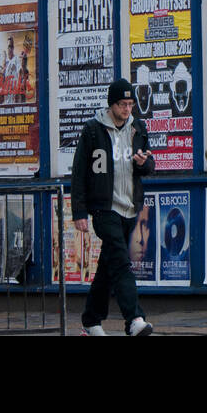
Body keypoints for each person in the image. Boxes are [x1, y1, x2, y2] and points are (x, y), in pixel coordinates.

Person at [72, 78, 155, 336]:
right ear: (111, 104)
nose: (127, 109)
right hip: (105, 209)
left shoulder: (138, 128)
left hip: (130, 207)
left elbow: (149, 167)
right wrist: (79, 212)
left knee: (108, 267)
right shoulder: (93, 131)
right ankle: (134, 319)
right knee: (121, 263)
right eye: (122, 104)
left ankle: (90, 320)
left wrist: (143, 163)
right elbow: (79, 173)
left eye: (130, 104)